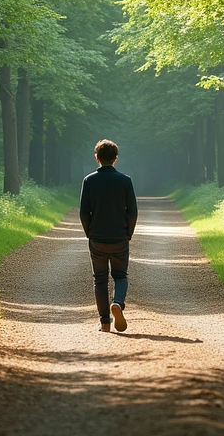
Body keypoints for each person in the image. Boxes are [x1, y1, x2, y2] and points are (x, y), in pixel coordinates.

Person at [78, 139, 139, 333]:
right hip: (119, 237)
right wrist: (128, 233)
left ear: (97, 158)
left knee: (100, 279)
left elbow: (83, 212)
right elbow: (133, 211)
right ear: (116, 159)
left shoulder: (89, 180)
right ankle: (118, 304)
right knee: (120, 275)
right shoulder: (125, 180)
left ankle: (104, 322)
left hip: (97, 238)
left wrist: (89, 232)